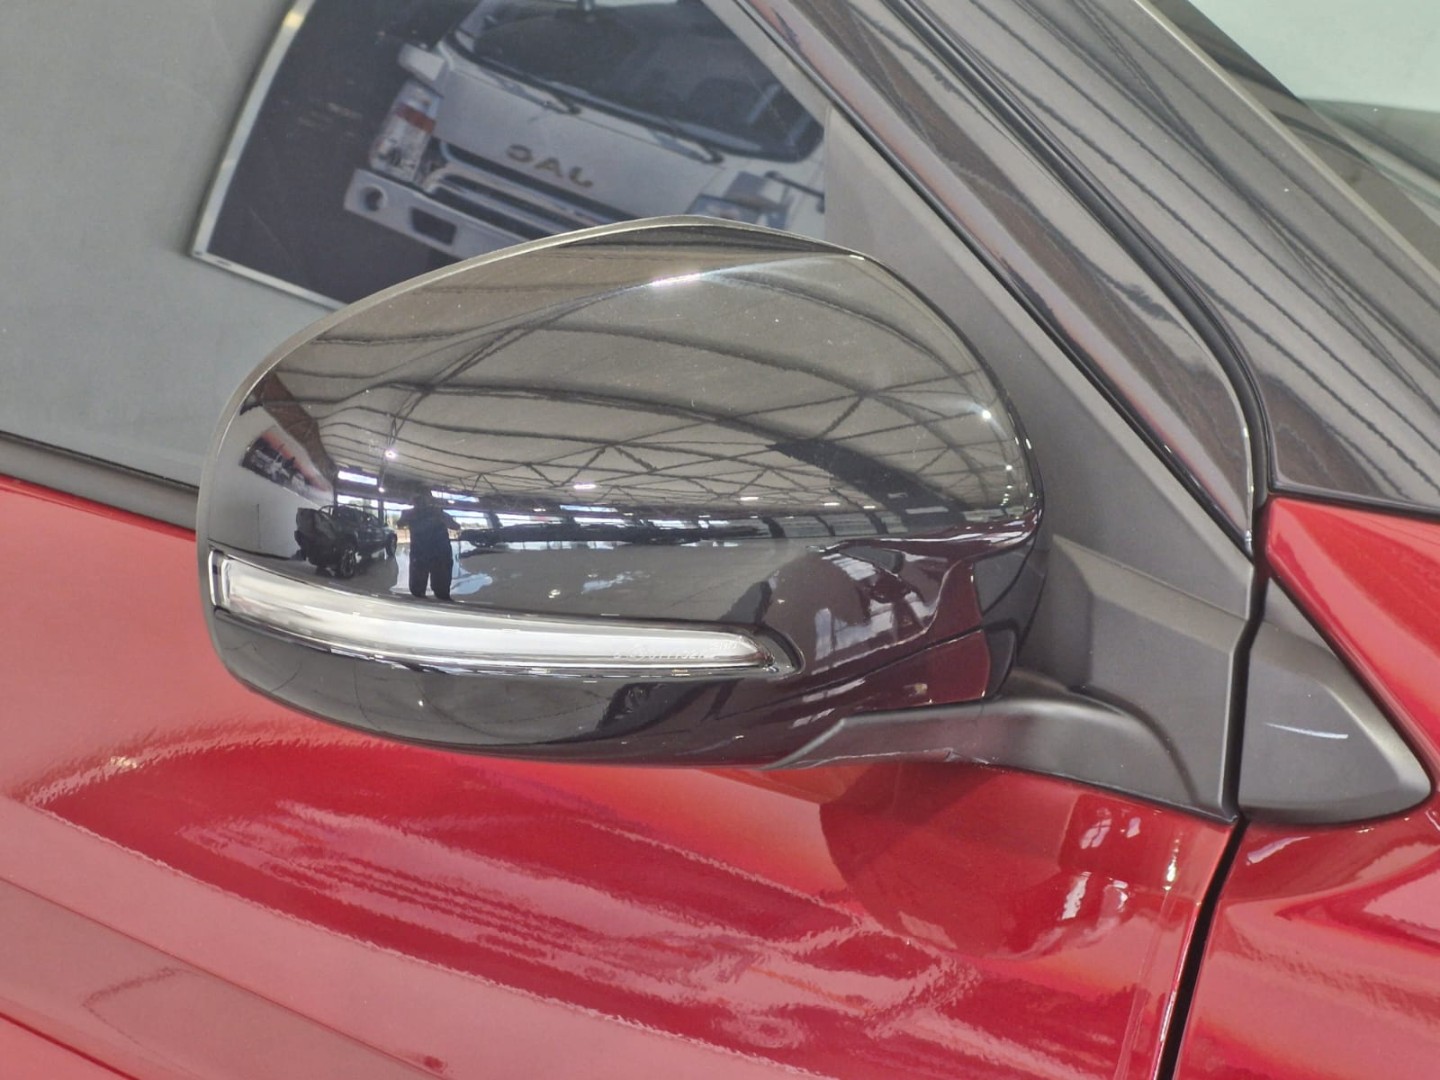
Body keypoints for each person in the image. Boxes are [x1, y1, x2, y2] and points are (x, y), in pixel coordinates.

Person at [399, 492, 459, 600]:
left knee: (441, 587)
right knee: (418, 588)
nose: (421, 502)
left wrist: (440, 516)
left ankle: (440, 597)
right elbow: (400, 524)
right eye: (418, 499)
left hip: (438, 552)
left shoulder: (438, 512)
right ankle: (427, 596)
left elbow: (455, 526)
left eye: (424, 499)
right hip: (423, 552)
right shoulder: (410, 513)